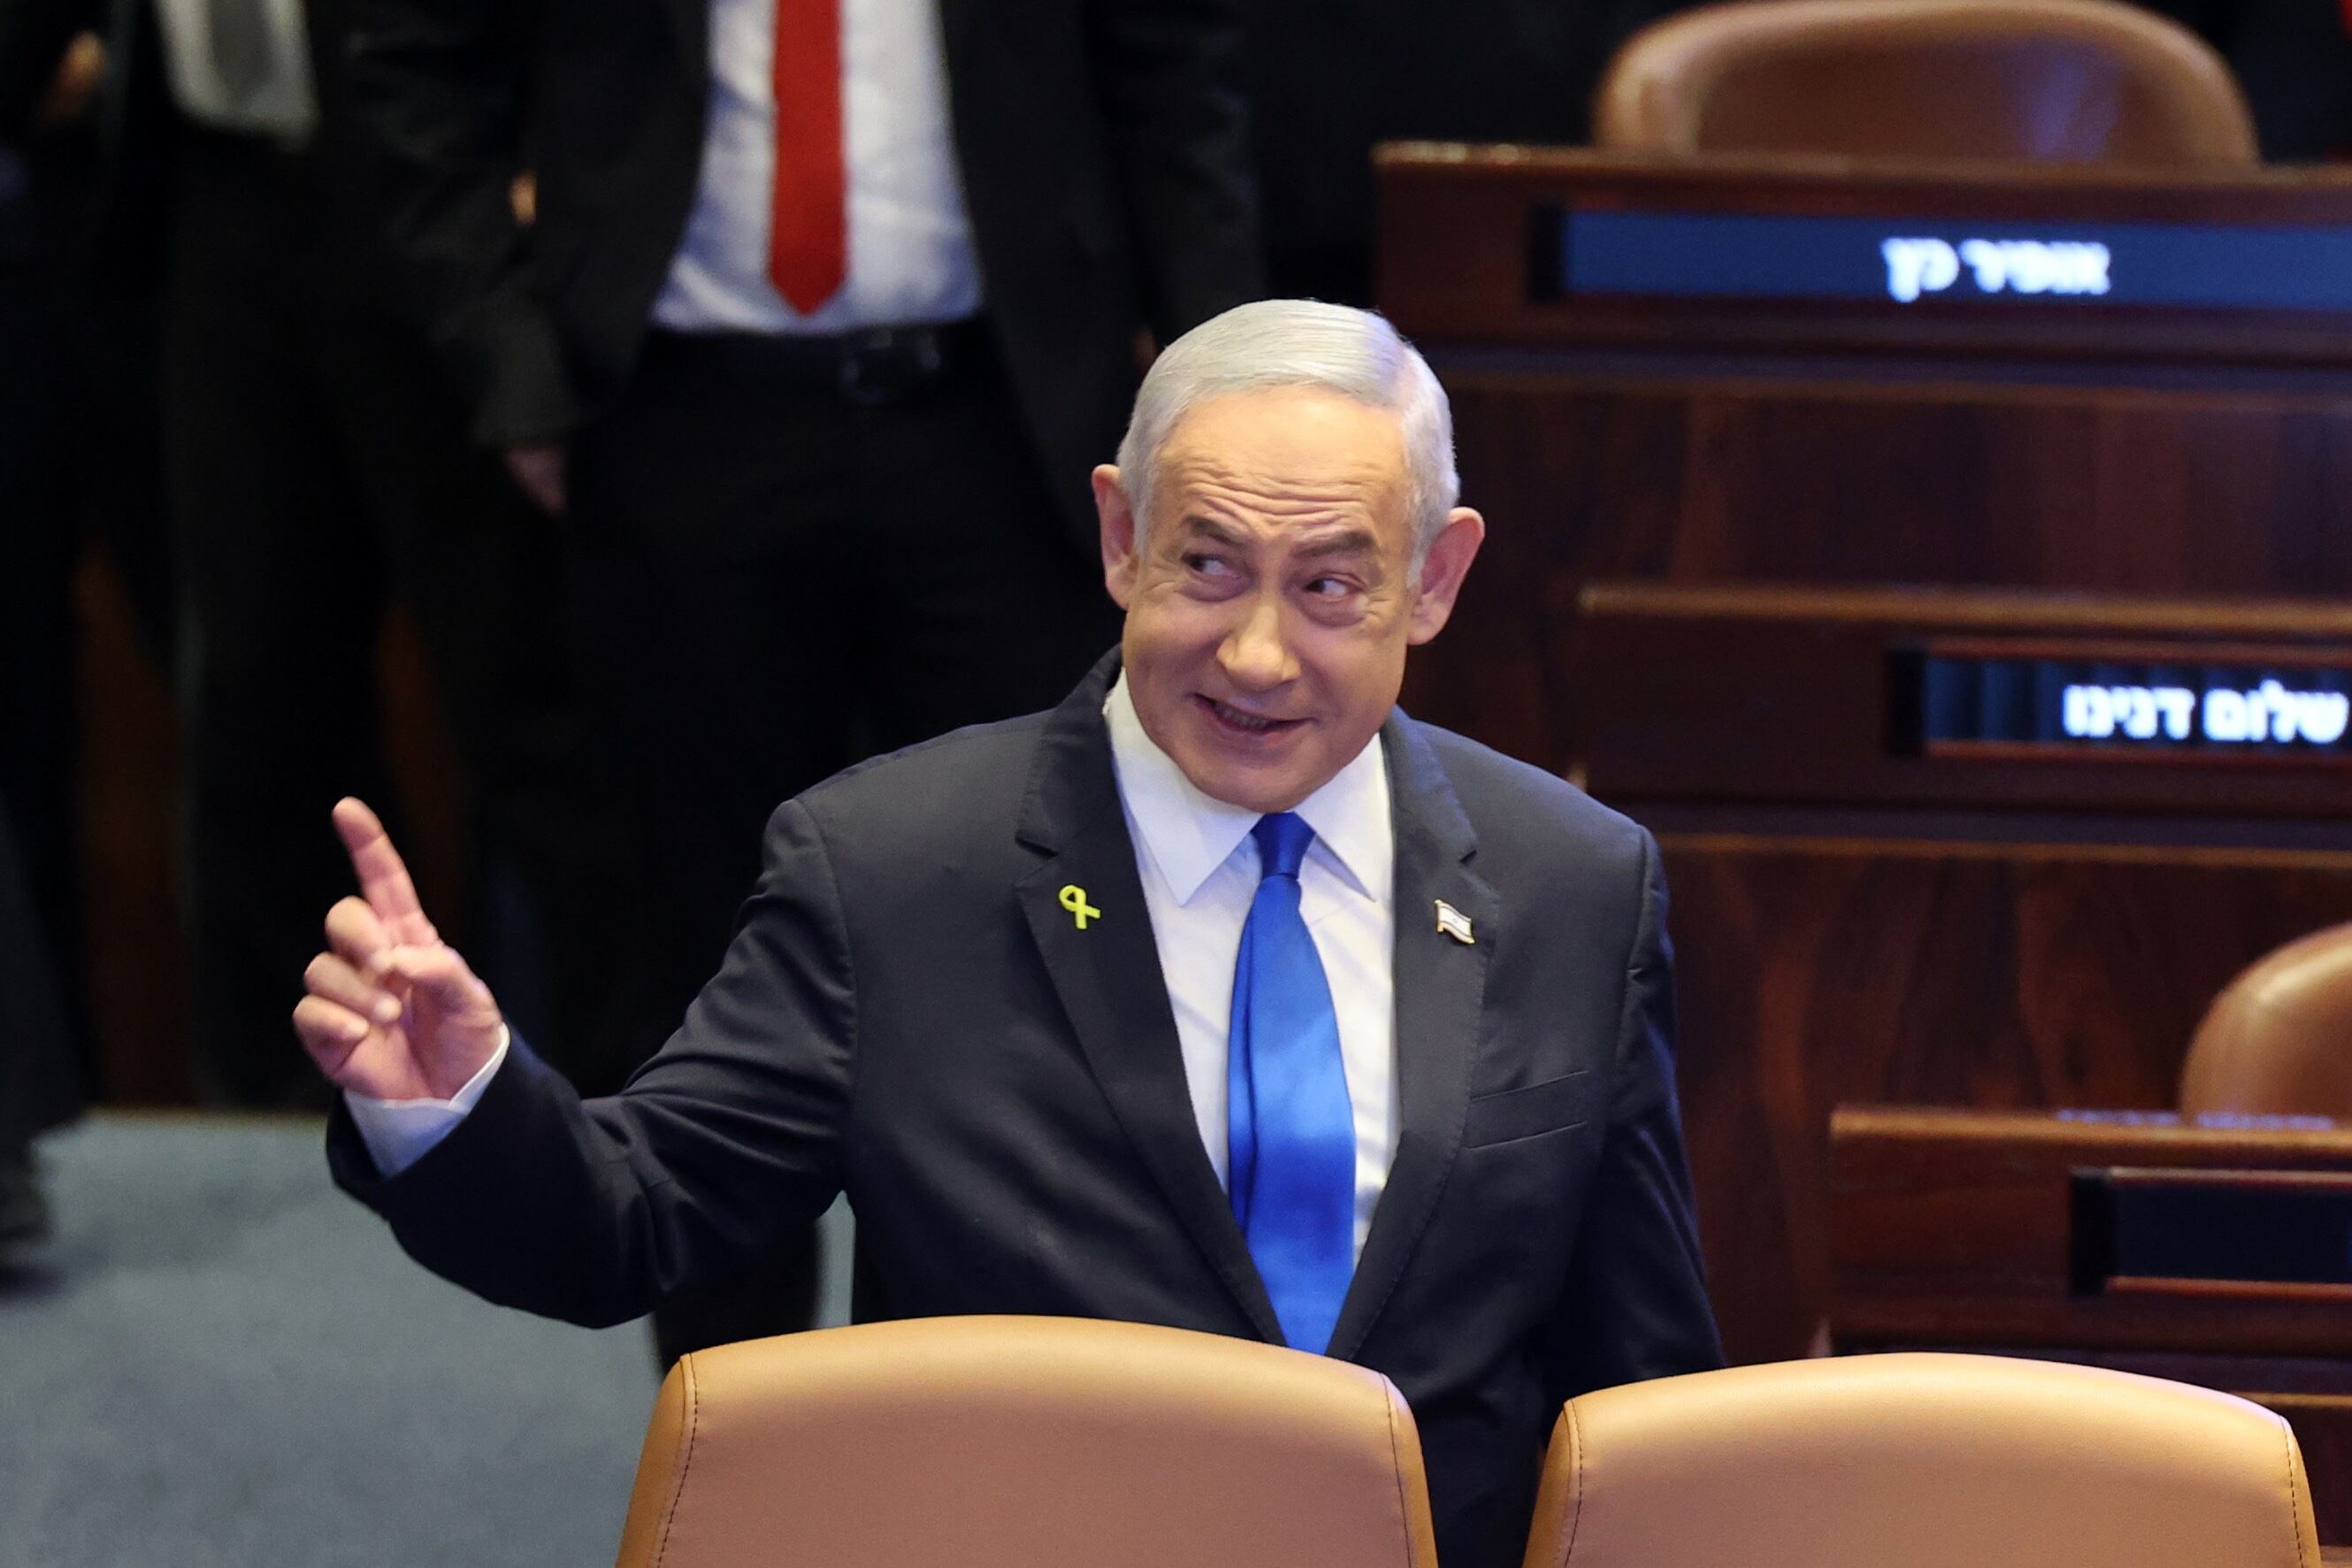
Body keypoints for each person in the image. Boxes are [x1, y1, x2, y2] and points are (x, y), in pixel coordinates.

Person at [300, 302, 1722, 1568]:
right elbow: (633, 1218)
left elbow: (1639, 1394)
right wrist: (460, 1110)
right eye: (1209, 566)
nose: (1259, 655)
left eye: (1331, 585)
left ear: (1437, 577)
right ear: (1120, 537)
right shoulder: (893, 871)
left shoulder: (1575, 886)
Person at [337, 0, 1263, 1363]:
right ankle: (738, 1447)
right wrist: (512, 358)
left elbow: (1180, 77)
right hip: (677, 421)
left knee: (1026, 949)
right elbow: (416, 69)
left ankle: (991, 1431)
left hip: (1002, 426)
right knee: (704, 959)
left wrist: (1221, 401)